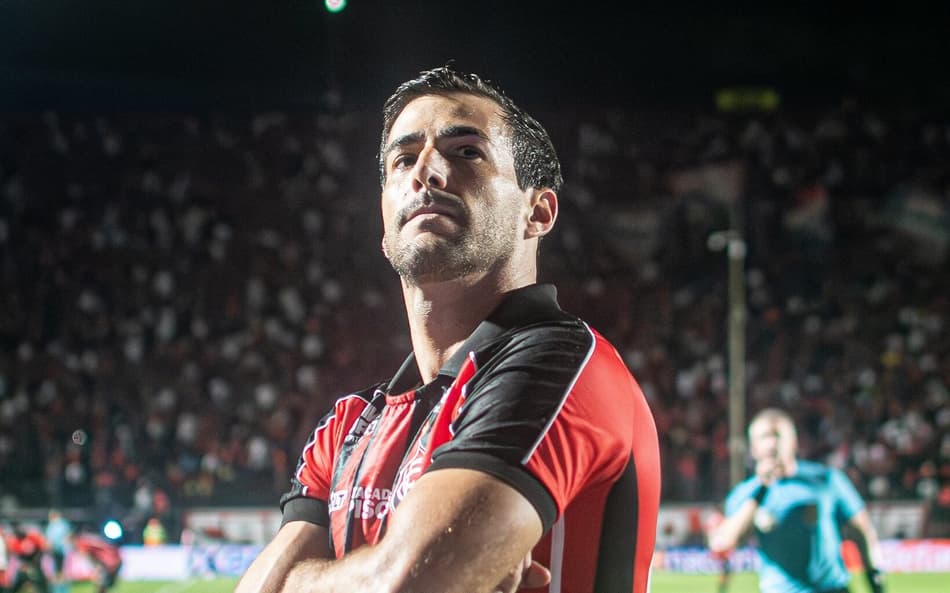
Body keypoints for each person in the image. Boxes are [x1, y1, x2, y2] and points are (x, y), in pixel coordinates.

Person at [235, 64, 662, 593]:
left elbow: (409, 585)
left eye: (467, 152)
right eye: (403, 159)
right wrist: (398, 567)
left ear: (539, 212)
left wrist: (306, 581)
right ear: (385, 219)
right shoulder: (348, 426)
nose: (426, 172)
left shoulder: (563, 365)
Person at [709, 408, 885, 593]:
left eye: (778, 435)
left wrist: (875, 580)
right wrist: (762, 488)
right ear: (753, 448)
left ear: (794, 442)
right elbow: (725, 542)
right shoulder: (746, 493)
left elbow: (863, 531)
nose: (772, 444)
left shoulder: (826, 480)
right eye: (765, 437)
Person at [44, 510, 72, 593]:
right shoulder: (58, 525)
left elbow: (50, 541)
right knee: (59, 572)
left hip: (60, 551)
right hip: (58, 551)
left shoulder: (57, 525)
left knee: (59, 572)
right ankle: (61, 590)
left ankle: (60, 590)